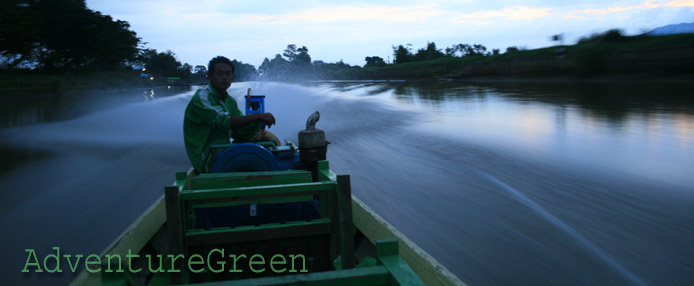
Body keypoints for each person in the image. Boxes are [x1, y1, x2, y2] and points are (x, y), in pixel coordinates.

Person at [183, 56, 276, 173]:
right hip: (207, 158)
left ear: (233, 77)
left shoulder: (230, 101)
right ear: (210, 76)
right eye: (219, 73)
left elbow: (240, 134)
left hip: (224, 152)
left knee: (272, 150)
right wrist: (258, 116)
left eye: (228, 74)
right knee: (263, 161)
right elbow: (223, 122)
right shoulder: (202, 97)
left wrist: (257, 124)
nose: (224, 77)